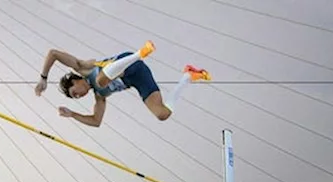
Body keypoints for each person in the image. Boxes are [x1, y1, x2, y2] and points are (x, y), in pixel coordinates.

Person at [35, 42, 209, 126]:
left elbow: (54, 53)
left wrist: (43, 78)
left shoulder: (83, 68)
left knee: (100, 81)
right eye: (76, 98)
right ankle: (188, 75)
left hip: (127, 61)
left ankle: (140, 53)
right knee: (162, 114)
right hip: (138, 76)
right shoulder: (99, 97)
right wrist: (72, 114)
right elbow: (96, 121)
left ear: (75, 80)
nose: (79, 96)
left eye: (75, 93)